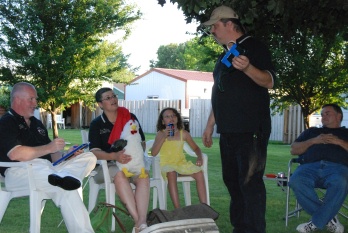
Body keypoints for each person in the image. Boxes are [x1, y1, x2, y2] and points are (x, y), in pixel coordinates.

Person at [201, 5, 277, 233]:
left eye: (214, 26)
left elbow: (270, 81)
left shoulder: (254, 46)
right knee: (233, 183)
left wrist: (248, 68)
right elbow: (221, 90)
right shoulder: (225, 55)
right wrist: (210, 124)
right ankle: (240, 229)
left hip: (250, 128)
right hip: (229, 130)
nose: (212, 31)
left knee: (249, 183)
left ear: (229, 23)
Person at [0, 82, 96, 233]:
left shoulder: (37, 123)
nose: (36, 103)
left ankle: (64, 176)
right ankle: (63, 178)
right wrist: (50, 147)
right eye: (32, 99)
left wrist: (67, 155)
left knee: (89, 157)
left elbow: (53, 157)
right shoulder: (6, 122)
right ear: (17, 99)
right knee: (65, 187)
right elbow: (15, 154)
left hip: (49, 170)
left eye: (35, 99)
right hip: (20, 172)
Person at [88, 87, 149, 233]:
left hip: (130, 162)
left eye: (113, 96)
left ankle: (141, 221)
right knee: (119, 174)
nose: (113, 99)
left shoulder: (130, 116)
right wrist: (113, 157)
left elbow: (142, 142)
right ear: (100, 104)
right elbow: (94, 153)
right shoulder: (97, 124)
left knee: (143, 177)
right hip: (105, 166)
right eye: (107, 98)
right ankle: (138, 221)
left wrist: (133, 155)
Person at [289, 104, 347, 233]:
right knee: (296, 181)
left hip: (337, 169)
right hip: (309, 167)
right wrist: (314, 141)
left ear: (339, 116)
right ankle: (329, 219)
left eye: (327, 113)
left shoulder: (346, 133)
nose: (323, 116)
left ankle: (316, 221)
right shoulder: (312, 132)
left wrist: (339, 142)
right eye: (322, 114)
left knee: (341, 182)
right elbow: (293, 149)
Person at [151, 107, 207, 208]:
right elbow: (154, 153)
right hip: (167, 165)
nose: (171, 118)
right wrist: (164, 137)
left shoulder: (184, 134)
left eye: (173, 115)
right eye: (167, 117)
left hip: (180, 164)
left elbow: (196, 148)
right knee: (172, 173)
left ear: (177, 118)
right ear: (163, 121)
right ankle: (178, 209)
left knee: (199, 173)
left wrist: (199, 157)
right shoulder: (160, 134)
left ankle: (205, 206)